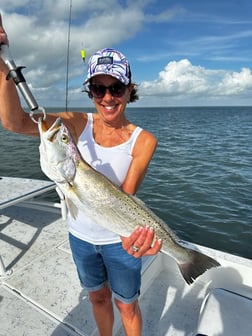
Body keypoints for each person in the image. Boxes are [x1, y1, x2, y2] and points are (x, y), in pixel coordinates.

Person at [0, 15, 162, 336]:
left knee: (127, 304)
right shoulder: (74, 124)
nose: (107, 97)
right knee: (98, 298)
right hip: (81, 239)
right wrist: (2, 64)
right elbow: (15, 122)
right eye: (98, 88)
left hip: (119, 241)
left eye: (116, 87)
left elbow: (125, 197)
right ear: (90, 92)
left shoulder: (144, 140)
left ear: (129, 90)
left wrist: (146, 238)